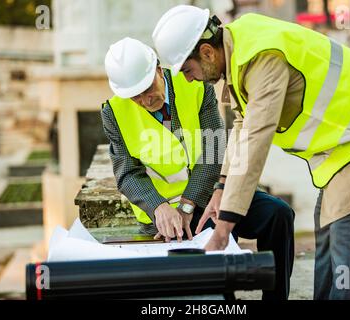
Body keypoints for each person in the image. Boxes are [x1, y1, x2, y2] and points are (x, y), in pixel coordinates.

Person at [152, 5, 350, 300]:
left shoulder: (262, 57)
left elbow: (256, 140)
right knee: (326, 220)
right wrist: (221, 187)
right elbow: (243, 125)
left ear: (207, 52)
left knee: (342, 228)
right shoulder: (240, 44)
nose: (188, 79)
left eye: (188, 70)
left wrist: (224, 227)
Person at [102, 37, 295, 300]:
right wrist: (159, 207)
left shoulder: (194, 85)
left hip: (208, 195)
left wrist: (188, 204)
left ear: (158, 69)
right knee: (214, 273)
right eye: (135, 97)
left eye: (148, 90)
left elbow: (214, 150)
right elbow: (126, 173)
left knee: (278, 214)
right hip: (164, 215)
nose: (145, 101)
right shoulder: (112, 113)